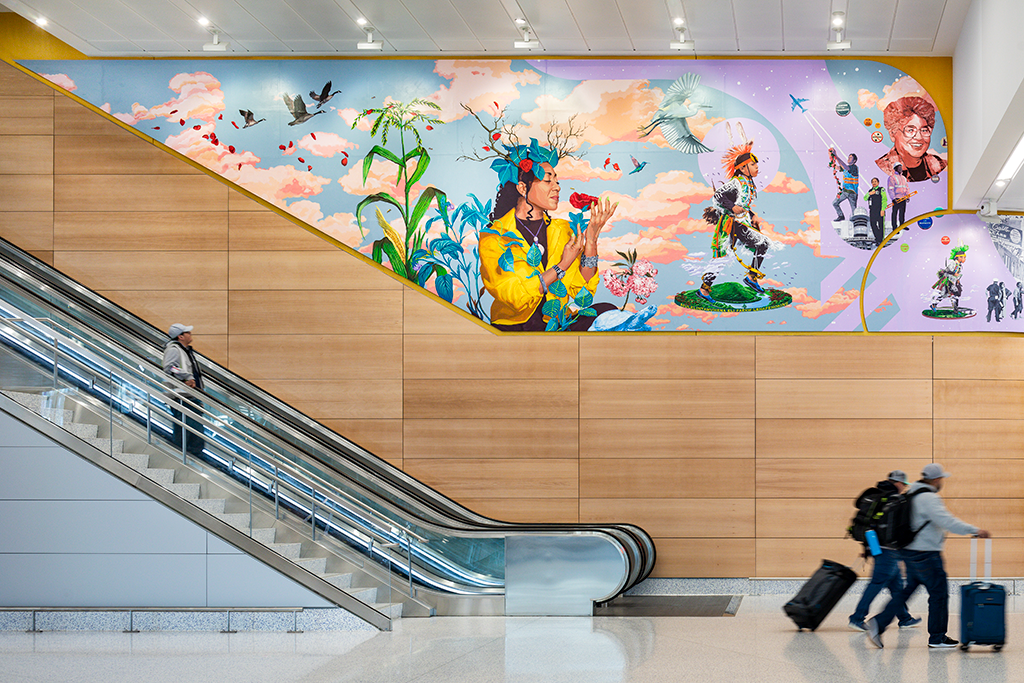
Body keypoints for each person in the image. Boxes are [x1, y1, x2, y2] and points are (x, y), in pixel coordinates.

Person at [479, 138, 617, 331]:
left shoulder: (562, 229)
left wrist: (592, 240)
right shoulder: (495, 237)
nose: (557, 187)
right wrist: (562, 266)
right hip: (516, 326)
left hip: (557, 322)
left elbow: (582, 291)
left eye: (557, 181)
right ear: (522, 188)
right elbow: (516, 297)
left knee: (609, 312)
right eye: (547, 180)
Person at [865, 463, 991, 649]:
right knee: (939, 594)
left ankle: (879, 623)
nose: (942, 482)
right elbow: (947, 521)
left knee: (907, 591)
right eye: (941, 479)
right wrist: (974, 530)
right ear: (935, 479)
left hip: (910, 552)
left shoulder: (911, 494)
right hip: (926, 554)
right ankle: (937, 637)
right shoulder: (928, 498)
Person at [700, 131, 775, 301]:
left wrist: (752, 213)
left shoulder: (748, 183)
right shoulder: (736, 182)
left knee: (760, 245)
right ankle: (705, 290)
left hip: (742, 223)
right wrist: (732, 207)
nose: (757, 168)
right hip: (732, 225)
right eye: (753, 165)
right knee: (724, 257)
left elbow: (743, 205)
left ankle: (750, 278)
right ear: (742, 168)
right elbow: (718, 196)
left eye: (757, 165)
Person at [848, 470, 923, 632]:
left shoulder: (877, 495)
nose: (903, 488)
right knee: (877, 583)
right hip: (887, 548)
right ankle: (857, 617)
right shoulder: (893, 499)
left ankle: (904, 618)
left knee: (896, 585)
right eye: (903, 484)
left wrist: (868, 548)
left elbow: (870, 525)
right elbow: (892, 529)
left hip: (877, 545)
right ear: (897, 482)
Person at [876, 96, 947, 182]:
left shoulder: (940, 165)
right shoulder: (883, 167)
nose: (919, 137)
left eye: (924, 130)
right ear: (892, 134)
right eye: (910, 130)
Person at [162, 323, 206, 456]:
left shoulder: (186, 351)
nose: (190, 334)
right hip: (181, 396)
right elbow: (169, 367)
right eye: (187, 332)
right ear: (180, 336)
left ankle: (191, 454)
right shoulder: (174, 349)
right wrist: (186, 376)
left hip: (190, 395)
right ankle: (184, 456)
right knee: (189, 430)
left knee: (193, 430)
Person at [930, 244, 967, 312]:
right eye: (963, 257)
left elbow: (956, 275)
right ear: (959, 257)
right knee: (955, 294)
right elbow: (947, 271)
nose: (964, 259)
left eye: (965, 258)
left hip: (953, 281)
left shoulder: (959, 265)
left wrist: (957, 280)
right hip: (948, 281)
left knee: (944, 295)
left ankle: (934, 305)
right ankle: (955, 310)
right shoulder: (953, 263)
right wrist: (953, 273)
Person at [831, 150, 859, 221]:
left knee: (854, 211)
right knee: (835, 203)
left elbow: (843, 165)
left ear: (854, 160)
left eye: (850, 158)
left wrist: (836, 156)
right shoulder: (846, 168)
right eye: (848, 157)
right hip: (845, 191)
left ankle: (855, 222)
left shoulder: (854, 168)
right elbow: (838, 167)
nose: (848, 159)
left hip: (852, 193)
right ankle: (841, 216)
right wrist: (832, 161)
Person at [864, 177, 888, 246]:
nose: (874, 183)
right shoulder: (870, 191)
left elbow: (884, 200)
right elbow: (865, 198)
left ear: (878, 183)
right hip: (872, 211)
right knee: (873, 224)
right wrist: (869, 194)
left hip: (880, 210)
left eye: (875, 181)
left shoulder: (881, 189)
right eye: (872, 182)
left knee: (880, 225)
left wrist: (883, 209)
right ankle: (878, 238)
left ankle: (880, 240)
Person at [887, 164, 911, 233]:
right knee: (895, 213)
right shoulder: (892, 178)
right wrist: (893, 198)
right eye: (899, 167)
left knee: (902, 213)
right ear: (895, 168)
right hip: (896, 198)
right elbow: (890, 189)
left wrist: (907, 196)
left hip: (903, 198)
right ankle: (894, 227)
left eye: (901, 167)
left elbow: (906, 187)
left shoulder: (904, 178)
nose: (901, 169)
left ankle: (902, 225)